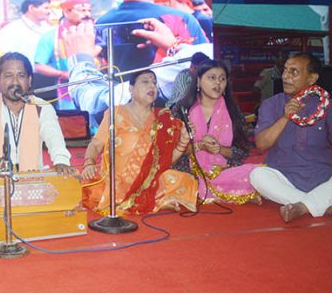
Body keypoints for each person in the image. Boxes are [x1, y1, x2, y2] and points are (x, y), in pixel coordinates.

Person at [80, 70, 197, 215]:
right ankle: (156, 200)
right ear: (131, 89)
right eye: (145, 82)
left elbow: (166, 162)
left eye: (154, 83)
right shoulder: (116, 113)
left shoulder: (163, 119)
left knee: (187, 180)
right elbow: (96, 144)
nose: (152, 86)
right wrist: (89, 163)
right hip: (118, 180)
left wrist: (183, 141)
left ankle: (154, 199)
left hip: (149, 179)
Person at [250, 53, 332, 222]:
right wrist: (285, 117)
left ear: (311, 78)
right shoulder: (271, 104)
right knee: (257, 175)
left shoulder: (325, 104)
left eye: (294, 72)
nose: (286, 76)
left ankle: (301, 206)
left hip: (322, 175)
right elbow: (261, 144)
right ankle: (318, 203)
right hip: (284, 176)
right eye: (285, 70)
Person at [0, 52, 74, 176]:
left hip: (33, 184)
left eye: (21, 75)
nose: (15, 82)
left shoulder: (42, 108)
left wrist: (61, 161)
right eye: (8, 75)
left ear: (29, 80)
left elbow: (55, 140)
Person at [172, 60, 259, 203]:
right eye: (212, 78)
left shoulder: (232, 111)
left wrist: (220, 149)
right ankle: (224, 191)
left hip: (222, 170)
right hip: (188, 170)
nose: (217, 83)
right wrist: (199, 146)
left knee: (255, 173)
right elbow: (171, 151)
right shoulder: (182, 109)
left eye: (222, 78)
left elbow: (242, 151)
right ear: (198, 82)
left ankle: (213, 190)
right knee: (172, 178)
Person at [34, 0, 93, 110]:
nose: (87, 14)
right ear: (66, 12)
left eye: (89, 10)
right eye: (82, 10)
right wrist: (62, 73)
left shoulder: (95, 32)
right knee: (73, 124)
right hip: (67, 91)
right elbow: (39, 66)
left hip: (95, 88)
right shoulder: (51, 36)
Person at [0, 0, 52, 66]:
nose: (49, 12)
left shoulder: (49, 28)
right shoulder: (10, 31)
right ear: (31, 8)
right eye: (46, 8)